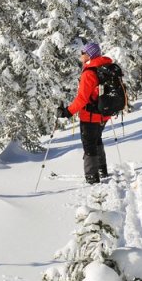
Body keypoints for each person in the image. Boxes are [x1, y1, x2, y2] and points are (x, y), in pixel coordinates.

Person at [56, 41, 113, 184]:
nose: (80, 55)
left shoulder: (89, 73)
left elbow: (82, 99)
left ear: (89, 55)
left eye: (83, 52)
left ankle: (92, 178)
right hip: (104, 114)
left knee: (89, 145)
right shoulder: (105, 67)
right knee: (96, 139)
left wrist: (67, 112)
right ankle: (102, 170)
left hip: (90, 115)